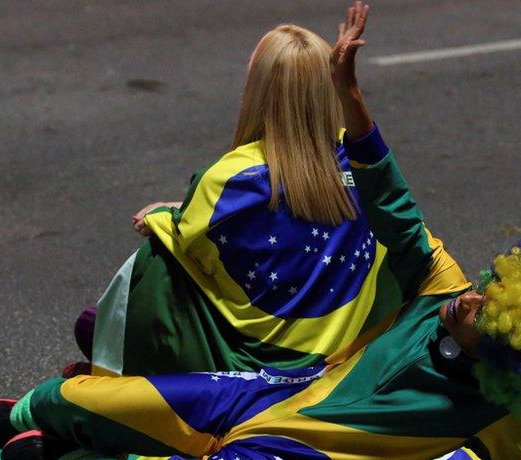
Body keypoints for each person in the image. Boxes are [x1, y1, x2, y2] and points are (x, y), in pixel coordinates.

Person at [0, 3, 521, 460]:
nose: (469, 296)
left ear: (503, 361)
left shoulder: (498, 407)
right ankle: (25, 411)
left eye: (481, 310)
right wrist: (349, 90)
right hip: (261, 389)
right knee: (82, 399)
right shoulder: (442, 285)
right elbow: (390, 198)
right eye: (486, 287)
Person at [69, 13, 468, 378]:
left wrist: (161, 215)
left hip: (260, 365)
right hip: (346, 354)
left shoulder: (230, 179)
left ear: (257, 87)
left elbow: (189, 246)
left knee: (112, 306)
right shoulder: (358, 163)